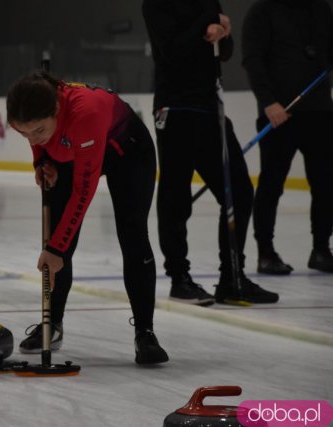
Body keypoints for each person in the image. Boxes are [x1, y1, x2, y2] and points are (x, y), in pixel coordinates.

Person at [6, 72, 169, 365]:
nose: (32, 138)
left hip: (127, 152)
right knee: (56, 237)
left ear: (55, 110)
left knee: (132, 235)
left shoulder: (85, 112)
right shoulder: (37, 114)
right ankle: (52, 324)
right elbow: (39, 140)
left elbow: (83, 192)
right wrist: (42, 159)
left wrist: (56, 251)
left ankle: (146, 333)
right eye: (24, 134)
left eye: (38, 131)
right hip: (73, 151)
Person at [142, 0, 279, 305]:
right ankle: (180, 278)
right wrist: (209, 22)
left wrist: (224, 34)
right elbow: (172, 51)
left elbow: (224, 52)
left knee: (240, 192)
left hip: (209, 106)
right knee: (176, 196)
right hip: (176, 107)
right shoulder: (156, 4)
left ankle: (232, 276)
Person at [242, 0, 333, 275]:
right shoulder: (262, 11)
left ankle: (321, 249)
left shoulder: (321, 9)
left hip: (319, 111)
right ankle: (266, 253)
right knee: (271, 185)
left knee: (326, 184)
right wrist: (268, 102)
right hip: (280, 113)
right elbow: (252, 59)